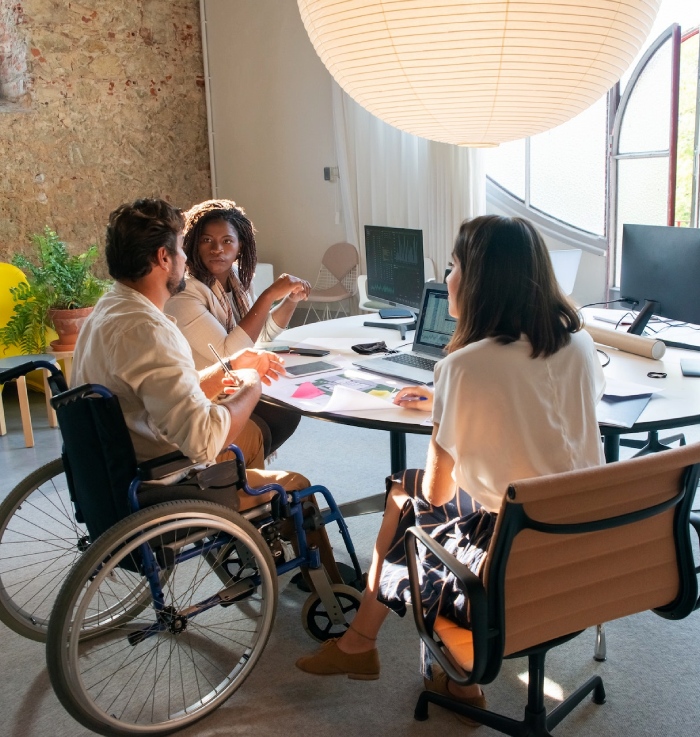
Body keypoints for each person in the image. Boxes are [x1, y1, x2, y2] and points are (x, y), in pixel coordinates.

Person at [295, 215, 605, 718]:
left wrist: (450, 408)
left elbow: (438, 493)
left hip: (510, 553)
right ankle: (380, 652)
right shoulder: (580, 344)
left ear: (481, 280)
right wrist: (453, 403)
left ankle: (371, 647)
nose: (446, 279)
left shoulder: (463, 367)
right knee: (407, 491)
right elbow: (547, 412)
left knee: (406, 495)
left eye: (454, 266)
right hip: (585, 539)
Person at [71, 198, 309, 510]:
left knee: (254, 435)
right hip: (167, 482)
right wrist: (251, 383)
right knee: (299, 486)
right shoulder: (150, 330)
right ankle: (251, 519)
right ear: (164, 257)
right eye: (182, 248)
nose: (186, 258)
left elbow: (166, 386)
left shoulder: (109, 308)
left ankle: (252, 524)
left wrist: (230, 366)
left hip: (118, 468)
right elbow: (203, 441)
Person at [165, 199, 310, 461]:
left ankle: (243, 468)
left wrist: (290, 300)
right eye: (207, 240)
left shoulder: (236, 280)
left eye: (227, 241)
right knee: (270, 417)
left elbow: (258, 335)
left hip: (233, 384)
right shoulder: (185, 292)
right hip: (204, 396)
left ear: (240, 246)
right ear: (194, 243)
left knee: (288, 408)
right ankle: (232, 467)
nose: (217, 249)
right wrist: (269, 295)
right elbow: (230, 352)